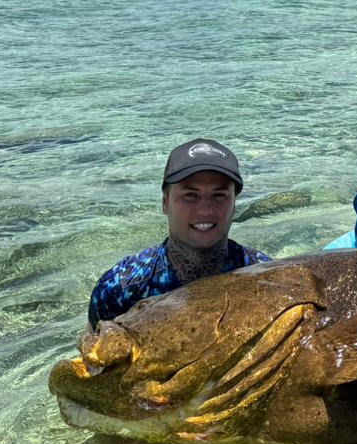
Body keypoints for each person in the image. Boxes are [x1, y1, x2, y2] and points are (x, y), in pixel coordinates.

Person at [88, 138, 271, 327]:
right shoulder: (121, 287)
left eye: (219, 196)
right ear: (165, 203)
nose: (205, 210)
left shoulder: (265, 278)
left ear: (234, 204)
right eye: (190, 195)